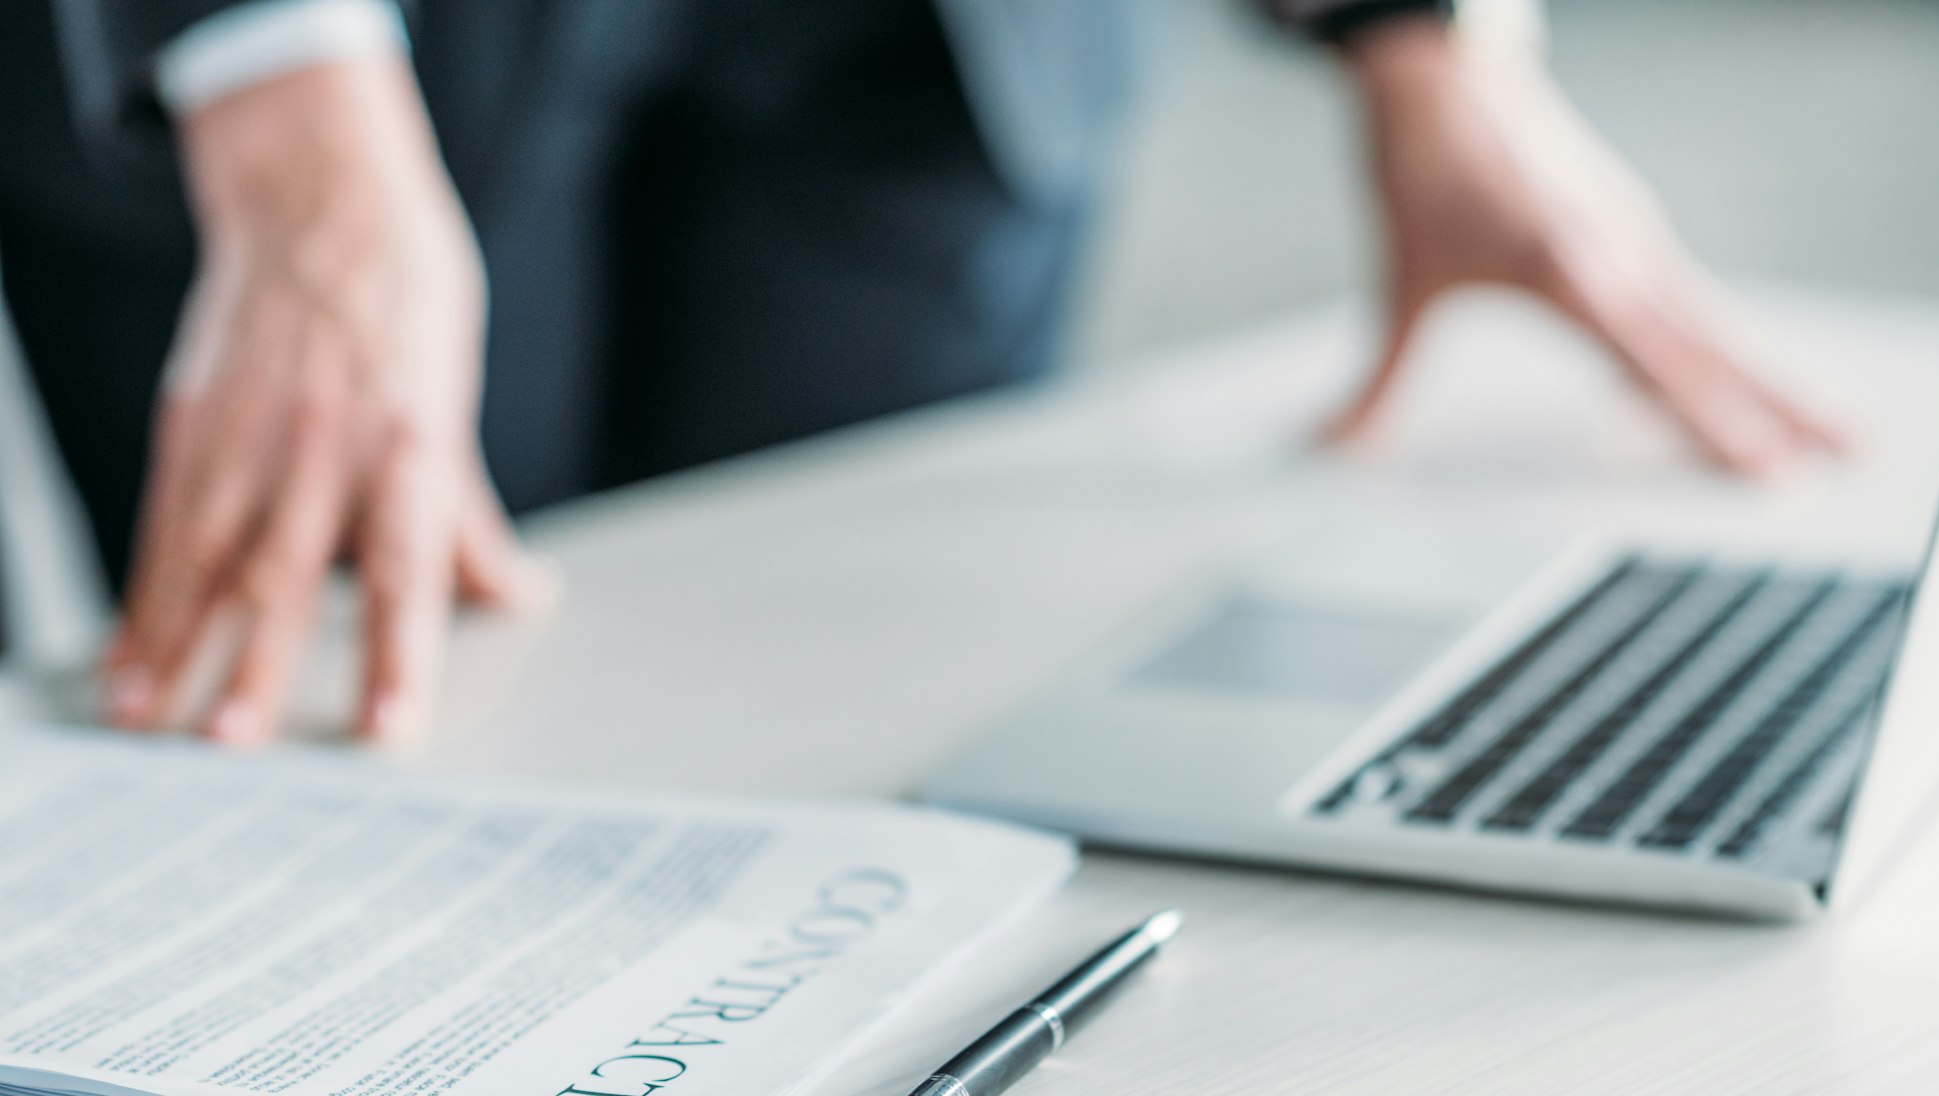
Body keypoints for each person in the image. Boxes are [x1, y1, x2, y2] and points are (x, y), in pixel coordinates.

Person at [0, 0, 1841, 747]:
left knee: (882, 781)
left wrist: (1428, 43)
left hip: (933, 62)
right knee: (366, 733)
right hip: (335, 66)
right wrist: (280, 90)